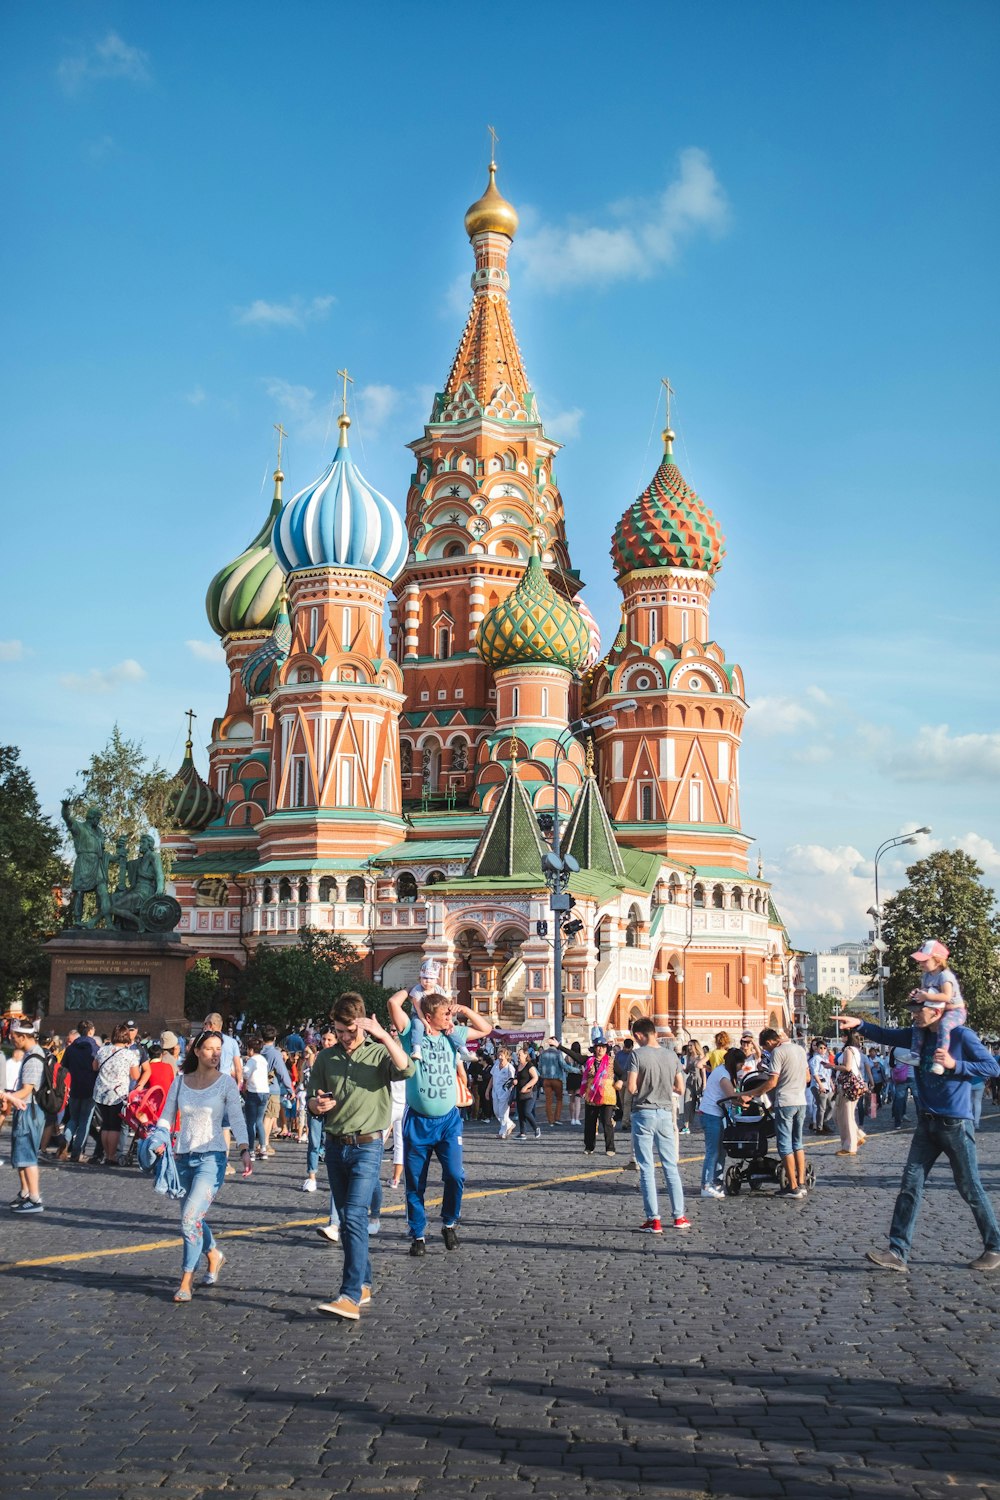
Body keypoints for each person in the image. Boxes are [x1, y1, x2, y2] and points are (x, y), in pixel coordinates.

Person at [838, 999, 1000, 1272]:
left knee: (970, 1189)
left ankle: (994, 1247)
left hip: (956, 1124)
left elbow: (992, 1068)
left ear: (937, 1011)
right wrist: (860, 1025)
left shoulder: (961, 1035)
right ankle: (897, 1251)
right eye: (911, 1010)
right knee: (910, 1185)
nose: (912, 1015)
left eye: (917, 1010)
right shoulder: (917, 1034)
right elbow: (886, 1035)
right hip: (926, 1123)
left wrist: (954, 1064)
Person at [308, 993, 414, 1317]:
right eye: (338, 1031)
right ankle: (365, 1283)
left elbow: (407, 1069)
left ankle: (349, 1295)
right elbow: (311, 1100)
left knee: (353, 1216)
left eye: (349, 1031)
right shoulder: (326, 1058)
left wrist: (383, 1035)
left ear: (363, 1025)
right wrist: (317, 1105)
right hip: (335, 1145)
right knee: (349, 1215)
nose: (343, 1037)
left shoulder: (380, 1052)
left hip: (368, 1146)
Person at [387, 988, 492, 1255]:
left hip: (448, 1121)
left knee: (455, 1175)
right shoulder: (413, 1033)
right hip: (418, 1122)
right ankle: (418, 1236)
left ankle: (449, 1222)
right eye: (445, 1013)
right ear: (430, 1016)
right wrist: (415, 990)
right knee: (415, 1182)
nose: (449, 1017)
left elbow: (486, 1029)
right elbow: (392, 1003)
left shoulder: (452, 1035)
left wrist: (465, 1010)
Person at [151, 1029, 252, 1301]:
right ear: (196, 1051)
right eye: (209, 1048)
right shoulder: (181, 1082)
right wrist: (157, 1138)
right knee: (194, 1219)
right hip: (182, 1158)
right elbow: (166, 1117)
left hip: (212, 1158)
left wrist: (244, 1149)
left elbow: (237, 1119)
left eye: (219, 1049)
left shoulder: (226, 1083)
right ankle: (214, 1255)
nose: (215, 1054)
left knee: (189, 1220)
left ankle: (186, 1280)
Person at [627, 1017, 689, 1232]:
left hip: (643, 1113)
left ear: (638, 1035)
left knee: (646, 1168)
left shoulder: (637, 1054)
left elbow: (632, 1088)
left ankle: (654, 1219)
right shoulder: (671, 1055)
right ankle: (679, 1216)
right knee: (670, 1166)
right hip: (665, 1112)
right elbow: (680, 1088)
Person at [741, 1027, 810, 1198]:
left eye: (765, 1047)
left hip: (785, 1102)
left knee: (784, 1144)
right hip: (801, 1101)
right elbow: (808, 1077)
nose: (765, 1050)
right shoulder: (800, 1049)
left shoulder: (778, 1053)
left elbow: (772, 1082)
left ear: (770, 1041)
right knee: (798, 1143)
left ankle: (792, 1187)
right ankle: (801, 1183)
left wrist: (752, 1094)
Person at [2, 1020, 48, 1212]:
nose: (11, 1040)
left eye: (14, 1037)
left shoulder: (34, 1058)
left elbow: (27, 1090)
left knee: (27, 1154)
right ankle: (26, 1193)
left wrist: (7, 1096)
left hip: (30, 1110)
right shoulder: (31, 1055)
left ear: (23, 1036)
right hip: (26, 1109)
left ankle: (35, 1199)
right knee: (21, 1153)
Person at [92, 1023, 145, 1167]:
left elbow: (94, 1066)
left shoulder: (103, 1050)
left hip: (101, 1091)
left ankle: (106, 1155)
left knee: (105, 1125)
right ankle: (111, 1155)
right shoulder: (129, 1054)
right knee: (115, 1126)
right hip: (117, 1094)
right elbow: (135, 1076)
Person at [698, 1047, 743, 1197]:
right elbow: (732, 1096)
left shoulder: (722, 1071)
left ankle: (717, 1181)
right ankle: (706, 1185)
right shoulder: (723, 1074)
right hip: (711, 1114)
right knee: (713, 1151)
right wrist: (749, 1095)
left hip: (717, 1114)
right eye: (740, 1065)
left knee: (721, 1151)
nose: (741, 1068)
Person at [61, 1020, 100, 1162]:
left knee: (73, 1119)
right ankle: (77, 1152)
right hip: (90, 1088)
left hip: (75, 1087)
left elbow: (64, 1066)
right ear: (91, 1031)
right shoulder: (95, 1047)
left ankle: (64, 1142)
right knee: (85, 1122)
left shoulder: (71, 1048)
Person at [259, 1025, 293, 1157]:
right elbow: (283, 1072)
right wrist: (290, 1088)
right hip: (272, 1088)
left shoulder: (259, 1051)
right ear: (274, 1038)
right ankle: (263, 1144)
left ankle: (264, 1143)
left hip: (259, 1088)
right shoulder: (274, 1053)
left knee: (264, 1116)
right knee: (269, 1117)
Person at [830, 1031, 866, 1155]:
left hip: (847, 1086)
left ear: (847, 1037)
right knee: (840, 1115)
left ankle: (850, 1146)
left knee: (846, 1116)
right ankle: (857, 1136)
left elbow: (848, 1067)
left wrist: (832, 1066)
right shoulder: (855, 1050)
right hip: (850, 1086)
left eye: (842, 1036)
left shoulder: (848, 1050)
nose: (841, 1038)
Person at [580, 1041, 617, 1155]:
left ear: (606, 1049)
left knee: (606, 1122)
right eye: (598, 1047)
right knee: (590, 1122)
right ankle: (589, 1146)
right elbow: (575, 1056)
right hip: (592, 1095)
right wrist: (559, 1046)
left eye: (603, 1047)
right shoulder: (589, 1061)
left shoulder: (611, 1061)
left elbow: (622, 1073)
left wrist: (620, 1081)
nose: (600, 1049)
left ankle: (610, 1148)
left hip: (607, 1096)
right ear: (595, 1049)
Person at [242, 1033, 271, 1162]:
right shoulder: (263, 1060)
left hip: (254, 1093)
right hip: (265, 1092)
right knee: (259, 1121)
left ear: (251, 1049)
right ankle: (263, 1148)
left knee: (250, 1122)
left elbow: (245, 1073)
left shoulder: (252, 1060)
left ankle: (252, 1150)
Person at [538, 1039, 569, 1126]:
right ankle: (557, 1118)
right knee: (559, 1099)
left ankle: (550, 1121)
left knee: (548, 1101)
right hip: (556, 1079)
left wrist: (541, 1075)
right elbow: (564, 1066)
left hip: (546, 1079)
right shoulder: (558, 1053)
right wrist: (576, 1070)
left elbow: (539, 1066)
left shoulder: (543, 1053)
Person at [513, 1044, 541, 1140]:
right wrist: (515, 1081)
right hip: (519, 1091)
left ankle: (536, 1128)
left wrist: (526, 1086)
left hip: (530, 1092)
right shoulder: (518, 1066)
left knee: (526, 1111)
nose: (518, 1056)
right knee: (520, 1112)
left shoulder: (530, 1065)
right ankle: (522, 1132)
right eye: (518, 1054)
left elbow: (535, 1078)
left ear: (525, 1055)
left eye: (520, 1054)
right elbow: (518, 1077)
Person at [808, 1038, 834, 1135]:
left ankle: (824, 1122)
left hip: (827, 1085)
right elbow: (815, 1074)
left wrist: (831, 1084)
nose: (822, 1050)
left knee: (831, 1105)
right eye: (820, 1048)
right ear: (817, 1049)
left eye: (824, 1048)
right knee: (821, 1107)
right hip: (819, 1085)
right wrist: (820, 1086)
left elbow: (828, 1074)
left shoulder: (825, 1059)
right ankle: (819, 1127)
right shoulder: (815, 1059)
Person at [490, 1048, 516, 1139]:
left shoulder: (510, 1067)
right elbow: (492, 1077)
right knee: (496, 1111)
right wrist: (488, 1089)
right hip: (495, 1091)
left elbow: (512, 1080)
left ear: (506, 1056)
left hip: (504, 1092)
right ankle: (510, 1124)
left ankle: (502, 1132)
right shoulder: (496, 1065)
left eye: (502, 1055)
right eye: (499, 1055)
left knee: (503, 1113)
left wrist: (510, 1091)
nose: (499, 1057)